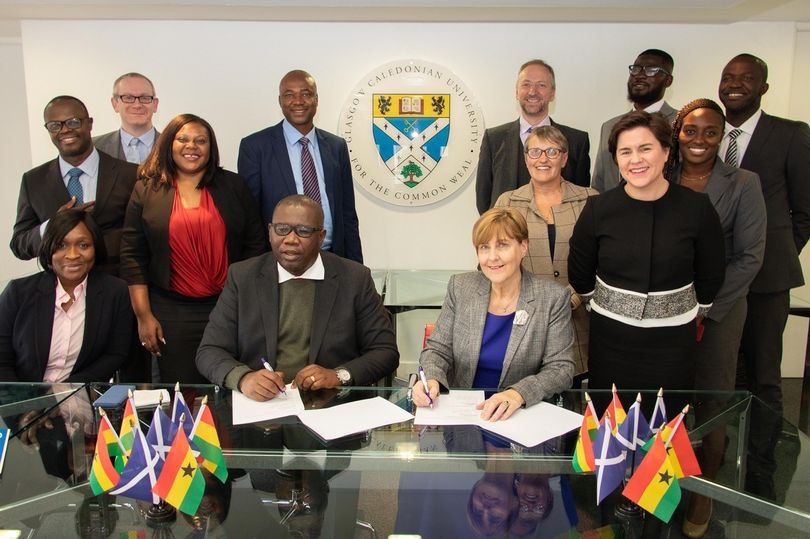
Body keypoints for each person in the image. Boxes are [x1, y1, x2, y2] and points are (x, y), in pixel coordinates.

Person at [568, 111, 725, 412]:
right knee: (610, 425)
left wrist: (695, 309)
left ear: (666, 152)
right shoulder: (599, 208)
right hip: (612, 341)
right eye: (625, 152)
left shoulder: (696, 208)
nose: (635, 160)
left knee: (666, 431)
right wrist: (603, 304)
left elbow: (711, 272)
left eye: (645, 148)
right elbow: (580, 270)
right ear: (616, 159)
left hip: (673, 343)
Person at [666, 98, 766, 537]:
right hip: (665, 312)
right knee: (668, 400)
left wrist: (705, 307)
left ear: (722, 136)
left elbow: (749, 257)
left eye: (710, 132)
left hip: (719, 312)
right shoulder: (661, 175)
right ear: (677, 133)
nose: (700, 140)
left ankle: (704, 492)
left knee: (711, 400)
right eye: (691, 130)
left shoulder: (744, 182)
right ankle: (661, 482)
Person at [196, 195, 398, 400]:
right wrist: (243, 378)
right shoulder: (242, 277)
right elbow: (210, 351)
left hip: (330, 405)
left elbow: (384, 352)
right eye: (281, 229)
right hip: (261, 407)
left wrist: (338, 375)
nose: (290, 239)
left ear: (321, 236)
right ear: (270, 232)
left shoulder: (354, 278)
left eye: (303, 231)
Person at [717, 53, 810, 500]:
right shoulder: (707, 135)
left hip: (768, 280)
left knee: (765, 375)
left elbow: (804, 211)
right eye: (729, 78)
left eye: (746, 79)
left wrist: (775, 255)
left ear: (763, 88)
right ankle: (725, 457)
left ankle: (761, 470)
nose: (735, 85)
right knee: (726, 373)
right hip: (718, 281)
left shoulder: (790, 135)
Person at [120, 113, 267, 384]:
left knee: (232, 384)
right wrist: (144, 316)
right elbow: (133, 256)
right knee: (183, 393)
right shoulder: (147, 189)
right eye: (183, 139)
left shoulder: (233, 186)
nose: (192, 146)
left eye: (201, 140)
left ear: (211, 148)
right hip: (172, 313)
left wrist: (248, 305)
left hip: (229, 307)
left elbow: (255, 246)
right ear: (168, 144)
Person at [413, 207, 575, 421]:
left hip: (519, 416)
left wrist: (518, 394)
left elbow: (561, 368)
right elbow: (438, 350)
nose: (492, 257)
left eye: (503, 245)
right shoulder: (461, 287)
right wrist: (431, 379)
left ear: (523, 247)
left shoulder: (552, 298)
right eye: (484, 247)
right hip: (464, 415)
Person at [495, 125, 598, 376]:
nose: (543, 159)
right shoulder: (507, 202)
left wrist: (569, 298)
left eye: (552, 152)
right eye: (535, 152)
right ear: (525, 159)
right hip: (523, 322)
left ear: (564, 158)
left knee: (574, 403)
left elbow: (604, 260)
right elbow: (494, 261)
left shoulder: (590, 199)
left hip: (580, 322)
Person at [238, 69, 362, 262]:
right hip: (280, 263)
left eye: (305, 93)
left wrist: (357, 267)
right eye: (289, 95)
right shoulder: (255, 147)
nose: (298, 101)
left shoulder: (336, 146)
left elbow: (348, 214)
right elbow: (250, 218)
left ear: (316, 99)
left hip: (332, 259)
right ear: (280, 101)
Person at [0, 209, 132, 382]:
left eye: (83, 245)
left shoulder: (115, 292)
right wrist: (23, 402)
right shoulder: (17, 293)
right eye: (61, 245)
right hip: (22, 400)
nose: (72, 255)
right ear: (48, 249)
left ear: (96, 248)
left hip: (78, 397)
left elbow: (115, 354)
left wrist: (64, 394)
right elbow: (2, 361)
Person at [12, 95, 138, 275]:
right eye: (55, 125)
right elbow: (19, 245)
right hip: (59, 292)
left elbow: (145, 237)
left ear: (90, 123)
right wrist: (53, 225)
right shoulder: (33, 181)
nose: (64, 130)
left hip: (120, 289)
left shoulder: (130, 174)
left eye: (73, 122)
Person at [476, 59, 591, 214]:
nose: (532, 91)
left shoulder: (577, 141)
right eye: (526, 84)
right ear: (516, 92)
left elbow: (581, 200)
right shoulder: (493, 139)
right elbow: (484, 200)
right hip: (508, 234)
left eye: (541, 85)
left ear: (553, 93)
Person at [591, 49, 678, 193]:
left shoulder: (680, 123)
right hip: (613, 212)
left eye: (651, 70)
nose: (640, 76)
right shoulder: (609, 126)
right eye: (636, 69)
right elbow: (599, 183)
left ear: (668, 80)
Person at [93, 72, 160, 164]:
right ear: (115, 104)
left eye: (145, 98)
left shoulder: (173, 146)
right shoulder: (94, 148)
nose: (137, 105)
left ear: (155, 104)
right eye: (128, 98)